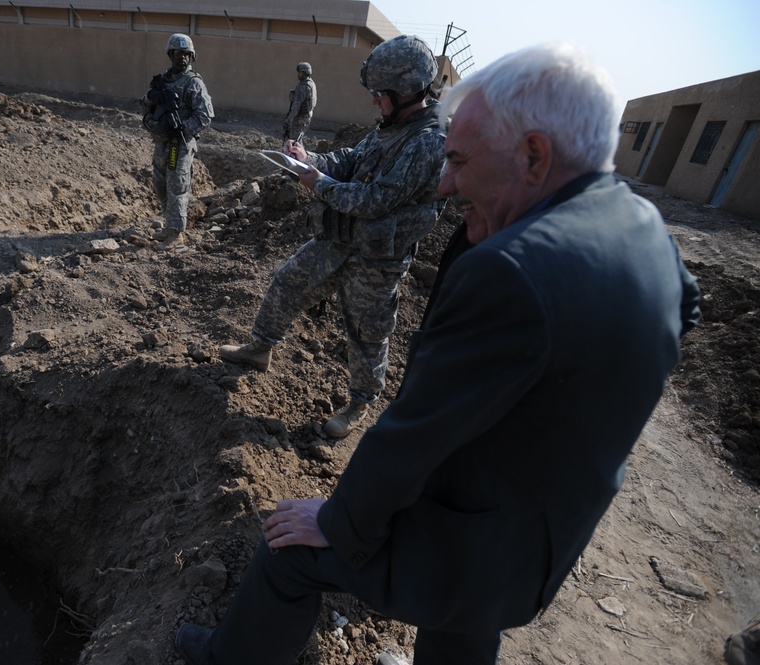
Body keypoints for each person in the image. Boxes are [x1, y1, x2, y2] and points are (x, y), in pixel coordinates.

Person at [177, 42, 701, 665]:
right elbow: (682, 315)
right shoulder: (645, 231)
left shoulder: (512, 271)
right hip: (536, 543)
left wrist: (340, 523)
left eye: (458, 160)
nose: (447, 184)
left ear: (534, 155)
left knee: (286, 555)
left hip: (471, 541)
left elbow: (414, 433)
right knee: (466, 621)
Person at [220, 35, 447, 438]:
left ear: (407, 90)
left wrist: (318, 183)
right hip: (340, 241)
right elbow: (349, 160)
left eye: (381, 94)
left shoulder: (429, 142)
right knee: (288, 281)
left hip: (378, 258)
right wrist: (310, 160)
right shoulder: (389, 129)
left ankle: (359, 405)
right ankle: (260, 349)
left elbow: (375, 200)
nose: (374, 101)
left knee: (366, 332)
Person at [140, 33, 214, 249]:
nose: (182, 58)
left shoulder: (194, 83)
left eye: (187, 54)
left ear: (191, 57)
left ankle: (176, 234)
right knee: (160, 186)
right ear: (170, 55)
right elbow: (143, 107)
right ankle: (168, 226)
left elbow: (204, 116)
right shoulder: (161, 81)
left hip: (179, 144)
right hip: (161, 142)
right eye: (178, 53)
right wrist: (150, 99)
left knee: (177, 187)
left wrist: (181, 129)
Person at [283, 61, 317, 144]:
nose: (298, 75)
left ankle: (297, 156)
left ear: (305, 73)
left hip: (300, 117)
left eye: (300, 73)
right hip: (306, 116)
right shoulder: (311, 83)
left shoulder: (304, 87)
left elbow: (296, 106)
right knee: (298, 139)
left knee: (294, 141)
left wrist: (288, 120)